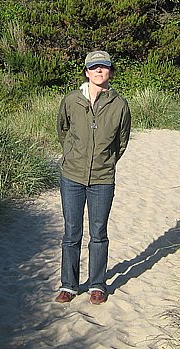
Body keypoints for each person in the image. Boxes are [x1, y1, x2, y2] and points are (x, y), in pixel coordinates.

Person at [54, 50, 131, 305]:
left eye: (104, 67)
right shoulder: (71, 100)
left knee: (98, 232)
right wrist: (72, 156)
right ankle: (69, 285)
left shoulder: (119, 104)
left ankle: (97, 285)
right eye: (94, 67)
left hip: (102, 178)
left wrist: (105, 162)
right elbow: (63, 130)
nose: (99, 71)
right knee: (71, 232)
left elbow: (122, 142)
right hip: (72, 176)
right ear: (86, 72)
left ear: (110, 71)